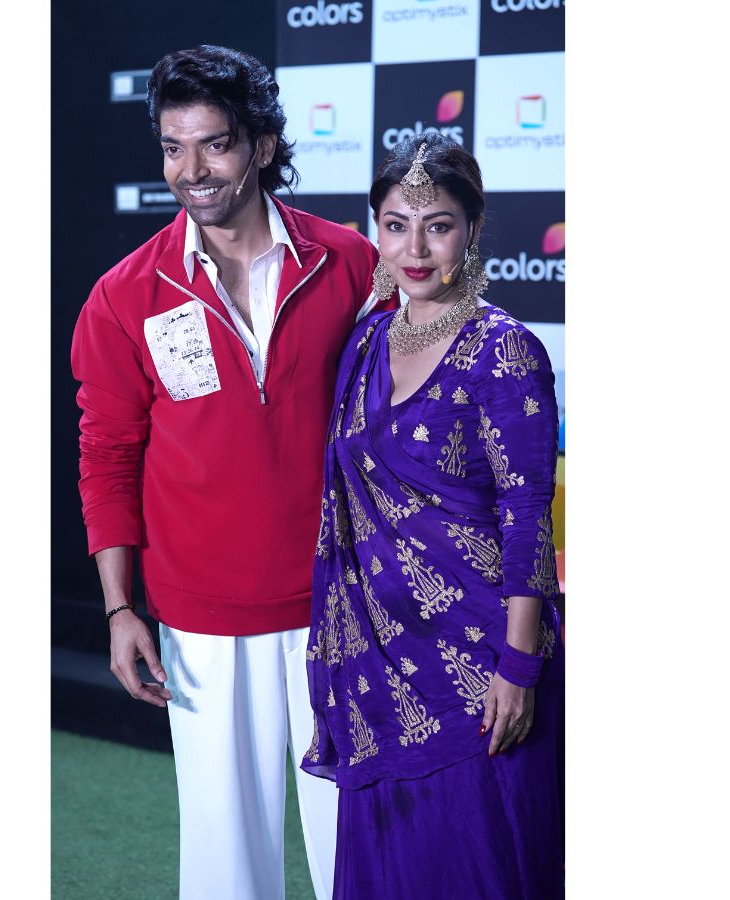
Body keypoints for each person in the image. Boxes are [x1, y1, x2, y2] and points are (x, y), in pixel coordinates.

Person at [70, 45, 391, 900]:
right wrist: (119, 607)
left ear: (261, 144)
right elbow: (107, 458)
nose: (192, 171)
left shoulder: (350, 264)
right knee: (225, 868)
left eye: (213, 144)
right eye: (172, 148)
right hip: (201, 615)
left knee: (359, 848)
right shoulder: (124, 295)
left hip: (341, 599)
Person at [301, 133, 564, 899]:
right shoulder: (366, 342)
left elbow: (528, 518)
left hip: (481, 666)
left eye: (438, 225)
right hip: (379, 670)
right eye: (395, 225)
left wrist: (518, 669)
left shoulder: (503, 350)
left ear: (472, 229)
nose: (414, 249)